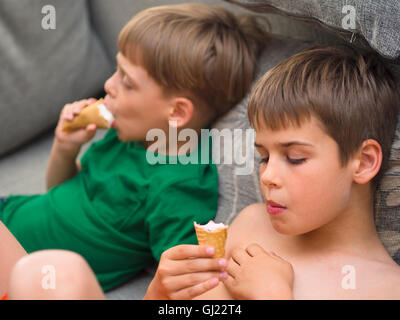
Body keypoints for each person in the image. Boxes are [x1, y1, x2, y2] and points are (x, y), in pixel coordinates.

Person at [0, 4, 267, 292]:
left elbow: (184, 276)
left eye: (126, 81)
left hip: (28, 279)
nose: (108, 85)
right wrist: (65, 148)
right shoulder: (128, 135)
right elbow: (63, 191)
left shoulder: (178, 185)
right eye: (116, 70)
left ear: (177, 113)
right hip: (9, 212)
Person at [143, 45, 400, 300]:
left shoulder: (385, 288)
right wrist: (158, 295)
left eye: (295, 158)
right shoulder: (251, 224)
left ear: (364, 162)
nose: (267, 177)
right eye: (264, 157)